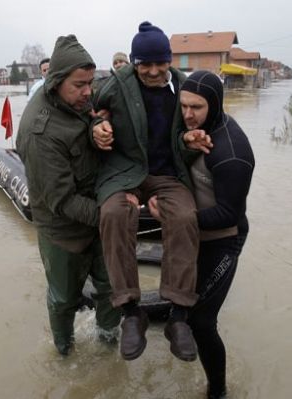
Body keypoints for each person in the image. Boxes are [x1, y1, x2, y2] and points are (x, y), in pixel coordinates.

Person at [92, 21, 210, 362]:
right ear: (133, 62)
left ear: (170, 59)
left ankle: (178, 316)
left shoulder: (184, 89)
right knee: (113, 214)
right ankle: (131, 311)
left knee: (186, 216)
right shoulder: (115, 85)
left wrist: (189, 141)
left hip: (165, 173)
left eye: (161, 63)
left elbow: (190, 134)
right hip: (124, 172)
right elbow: (90, 113)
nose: (155, 71)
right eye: (145, 64)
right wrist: (97, 128)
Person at [149, 70, 255, 399]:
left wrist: (175, 218)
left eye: (197, 107)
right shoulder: (191, 128)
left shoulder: (233, 152)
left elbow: (229, 214)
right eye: (183, 106)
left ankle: (218, 392)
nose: (188, 115)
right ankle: (176, 323)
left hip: (224, 239)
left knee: (203, 321)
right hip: (192, 230)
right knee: (180, 304)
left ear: (215, 104)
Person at [16, 35, 121, 356]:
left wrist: (97, 127)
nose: (88, 91)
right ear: (56, 81)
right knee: (63, 299)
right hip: (63, 230)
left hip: (95, 211)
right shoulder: (39, 131)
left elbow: (91, 114)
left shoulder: (77, 98)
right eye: (80, 85)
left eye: (90, 82)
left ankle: (107, 341)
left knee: (111, 287)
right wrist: (112, 217)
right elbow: (60, 201)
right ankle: (64, 350)